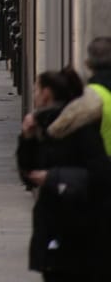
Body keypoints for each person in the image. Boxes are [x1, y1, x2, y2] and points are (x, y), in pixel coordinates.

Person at [17, 66, 111, 281]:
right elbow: (28, 174)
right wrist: (27, 138)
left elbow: (102, 176)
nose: (34, 95)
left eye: (36, 89)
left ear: (47, 93)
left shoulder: (80, 129)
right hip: (56, 231)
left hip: (80, 232)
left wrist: (53, 178)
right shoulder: (45, 126)